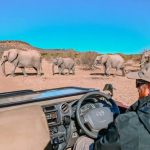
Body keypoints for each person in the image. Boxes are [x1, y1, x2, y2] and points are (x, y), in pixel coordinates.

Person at [74, 68, 150, 150]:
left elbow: (101, 147)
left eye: (138, 83)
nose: (137, 88)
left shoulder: (129, 123)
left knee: (82, 142)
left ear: (148, 88)